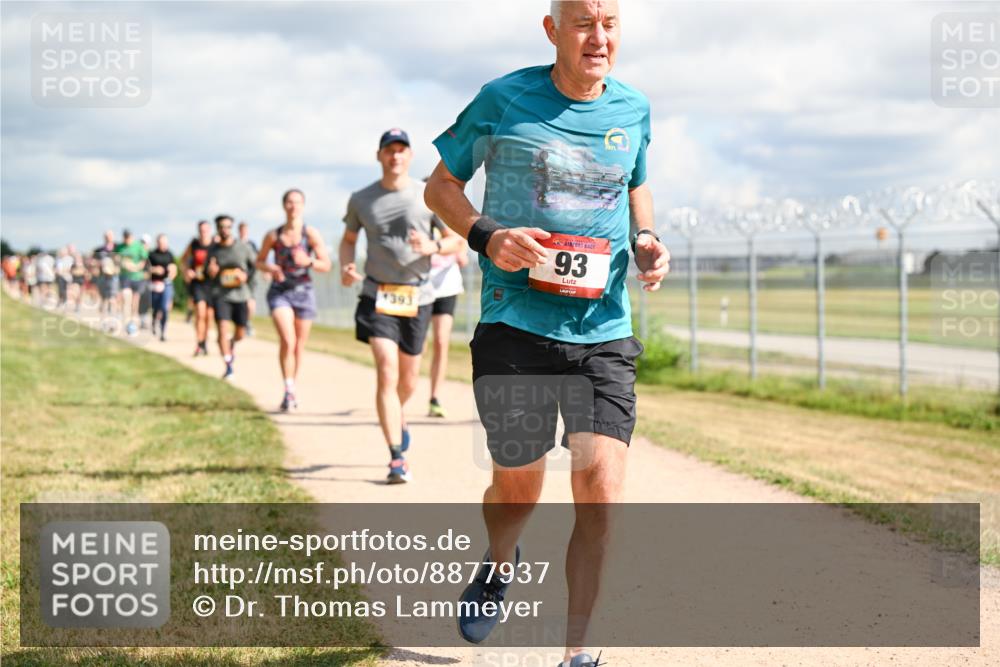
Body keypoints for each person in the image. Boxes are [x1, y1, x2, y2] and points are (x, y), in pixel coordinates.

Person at [423, 2, 671, 664]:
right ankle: (500, 562)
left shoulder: (633, 109)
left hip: (604, 333)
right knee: (518, 485)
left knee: (600, 494)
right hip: (515, 328)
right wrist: (487, 234)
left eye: (610, 22)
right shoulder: (504, 101)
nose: (599, 37)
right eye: (584, 22)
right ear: (552, 29)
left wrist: (646, 238)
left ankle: (577, 653)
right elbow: (440, 185)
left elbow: (637, 184)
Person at [340, 128, 463, 484]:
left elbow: (456, 241)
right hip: (376, 294)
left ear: (409, 157)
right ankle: (396, 457)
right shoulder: (361, 199)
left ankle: (398, 413)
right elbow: (349, 240)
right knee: (387, 369)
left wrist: (433, 247)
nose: (395, 156)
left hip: (417, 296)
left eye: (401, 150)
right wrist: (348, 265)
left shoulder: (427, 196)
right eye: (389, 151)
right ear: (379, 156)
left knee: (408, 381)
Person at [256, 190, 332, 411]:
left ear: (303, 206)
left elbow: (326, 265)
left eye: (297, 202)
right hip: (280, 291)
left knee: (298, 345)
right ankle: (288, 389)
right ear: (284, 206)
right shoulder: (273, 236)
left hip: (304, 291)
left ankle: (292, 386)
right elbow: (258, 261)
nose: (293, 206)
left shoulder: (310, 234)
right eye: (289, 202)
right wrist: (269, 267)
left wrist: (308, 261)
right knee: (288, 340)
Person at [410, 222, 468, 418]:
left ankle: (434, 398)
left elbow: (460, 246)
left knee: (441, 342)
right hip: (419, 288)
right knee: (418, 344)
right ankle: (407, 388)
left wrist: (460, 254)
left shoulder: (448, 220)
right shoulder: (419, 219)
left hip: (447, 288)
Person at [206, 215, 256, 380]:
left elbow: (255, 266)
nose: (224, 229)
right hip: (220, 294)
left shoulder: (243, 247)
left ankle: (231, 344)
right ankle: (228, 366)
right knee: (222, 329)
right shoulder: (212, 250)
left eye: (228, 226)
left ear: (232, 228)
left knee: (240, 333)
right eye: (221, 226)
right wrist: (210, 271)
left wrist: (245, 276)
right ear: (217, 228)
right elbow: (207, 271)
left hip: (240, 295)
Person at [180, 221, 215, 356]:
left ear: (210, 230)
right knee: (200, 313)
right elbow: (183, 261)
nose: (203, 232)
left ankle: (205, 342)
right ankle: (199, 343)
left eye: (206, 230)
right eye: (201, 230)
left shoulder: (215, 244)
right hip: (198, 283)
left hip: (211, 284)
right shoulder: (194, 244)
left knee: (208, 316)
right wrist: (187, 271)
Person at [115, 229, 148, 336]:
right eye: (125, 238)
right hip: (125, 278)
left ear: (132, 237)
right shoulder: (120, 247)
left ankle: (133, 324)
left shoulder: (138, 246)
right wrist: (122, 263)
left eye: (128, 238)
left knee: (135, 302)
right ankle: (127, 322)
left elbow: (144, 260)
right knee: (126, 297)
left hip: (137, 277)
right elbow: (116, 259)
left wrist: (135, 267)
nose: (127, 240)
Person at [148, 234, 178, 342]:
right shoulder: (152, 254)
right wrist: (154, 270)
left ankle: (163, 331)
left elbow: (174, 269)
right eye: (161, 243)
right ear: (157, 243)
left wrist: (171, 273)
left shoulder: (170, 254)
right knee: (156, 308)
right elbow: (145, 268)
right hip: (155, 284)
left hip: (167, 284)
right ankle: (154, 322)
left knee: (165, 308)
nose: (163, 245)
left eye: (164, 243)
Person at [92, 230, 120, 324]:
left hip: (113, 277)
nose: (108, 238)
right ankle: (103, 320)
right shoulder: (99, 250)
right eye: (107, 236)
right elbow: (92, 261)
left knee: (112, 299)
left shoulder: (118, 248)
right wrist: (99, 264)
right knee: (103, 299)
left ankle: (113, 320)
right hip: (102, 277)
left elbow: (122, 260)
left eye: (110, 236)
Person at [238, 221, 260, 335]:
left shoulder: (252, 245)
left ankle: (247, 323)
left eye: (245, 230)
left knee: (251, 305)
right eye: (241, 230)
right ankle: (241, 324)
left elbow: (258, 261)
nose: (243, 232)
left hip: (251, 278)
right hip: (237, 278)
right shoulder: (235, 243)